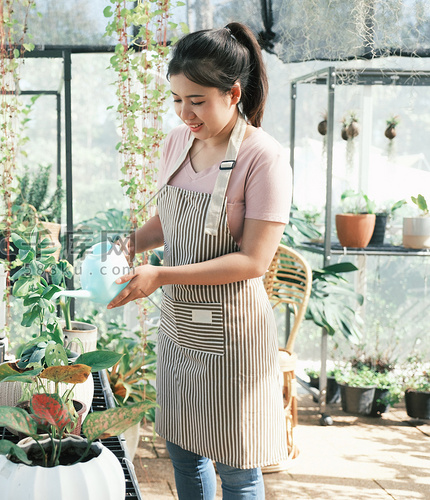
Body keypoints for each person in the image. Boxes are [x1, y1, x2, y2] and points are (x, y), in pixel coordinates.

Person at [107, 22, 292, 499]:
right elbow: (172, 220)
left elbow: (253, 261)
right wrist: (127, 246)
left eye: (197, 101)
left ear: (233, 93)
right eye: (175, 99)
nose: (184, 113)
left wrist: (161, 274)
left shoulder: (263, 158)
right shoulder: (176, 143)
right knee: (184, 457)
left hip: (232, 337)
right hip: (181, 328)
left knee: (237, 471)